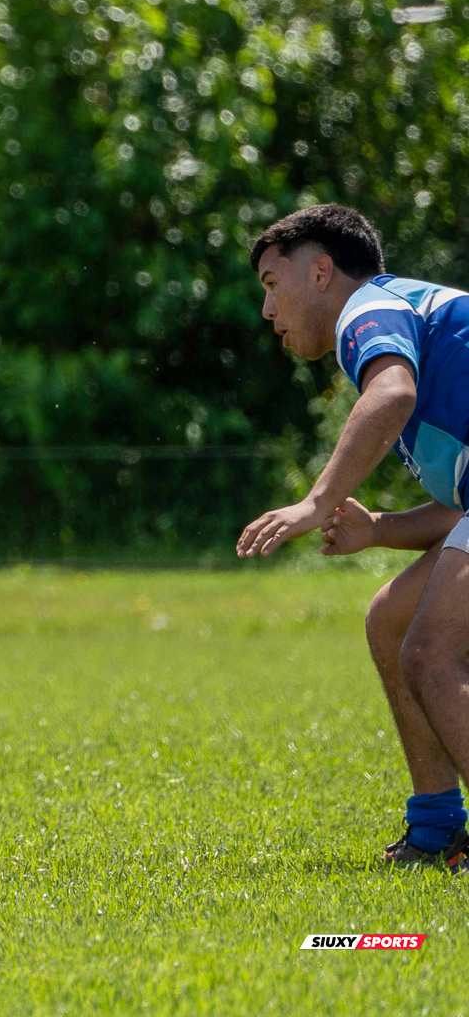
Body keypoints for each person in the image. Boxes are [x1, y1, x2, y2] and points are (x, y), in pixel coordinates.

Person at [237, 203, 467, 872]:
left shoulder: (371, 308)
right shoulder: (418, 318)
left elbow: (389, 395)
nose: (266, 309)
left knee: (432, 651)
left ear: (322, 274)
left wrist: (318, 500)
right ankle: (435, 830)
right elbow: (461, 513)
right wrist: (378, 532)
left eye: (272, 284)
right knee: (394, 621)